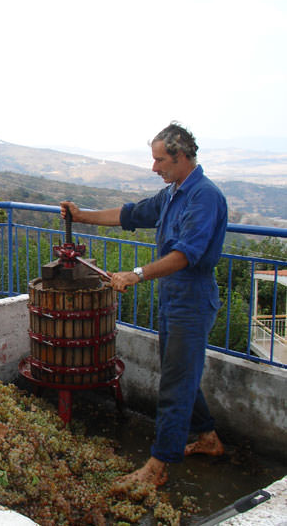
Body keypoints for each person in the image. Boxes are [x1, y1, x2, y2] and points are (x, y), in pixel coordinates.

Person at [60, 122, 227, 486]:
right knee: (179, 372)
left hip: (192, 300)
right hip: (173, 296)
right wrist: (81, 215)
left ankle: (157, 467)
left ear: (182, 157)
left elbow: (186, 255)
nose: (154, 168)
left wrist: (136, 273)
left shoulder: (204, 196)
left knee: (175, 384)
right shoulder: (173, 193)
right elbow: (131, 214)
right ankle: (208, 438)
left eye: (160, 160)